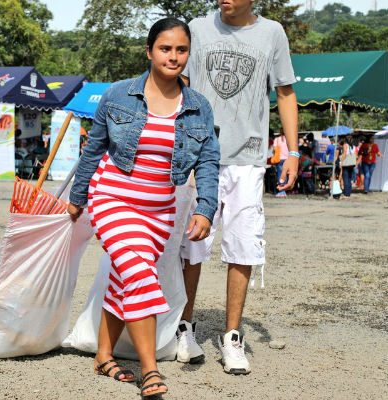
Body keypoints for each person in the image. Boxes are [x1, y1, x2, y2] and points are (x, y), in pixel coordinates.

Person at [68, 18, 219, 397]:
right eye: (165, 48)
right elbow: (94, 148)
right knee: (139, 274)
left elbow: (208, 162)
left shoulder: (199, 107)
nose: (173, 56)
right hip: (112, 197)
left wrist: (205, 207)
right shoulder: (119, 94)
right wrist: (77, 196)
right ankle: (150, 371)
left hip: (159, 211)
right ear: (149, 51)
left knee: (124, 280)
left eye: (181, 50)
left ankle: (104, 356)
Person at [177, 0, 299, 375]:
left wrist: (292, 151)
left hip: (247, 157)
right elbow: (177, 82)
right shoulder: (197, 28)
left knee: (242, 245)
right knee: (190, 244)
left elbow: (285, 92)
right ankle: (184, 327)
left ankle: (232, 336)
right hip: (200, 153)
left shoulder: (272, 33)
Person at [273, 132, 289, 197]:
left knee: (280, 175)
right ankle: (285, 190)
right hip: (287, 159)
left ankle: (281, 191)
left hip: (279, 159)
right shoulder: (288, 139)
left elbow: (274, 149)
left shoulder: (277, 139)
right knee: (286, 175)